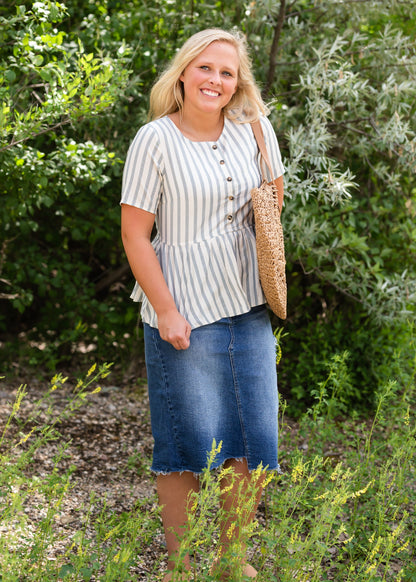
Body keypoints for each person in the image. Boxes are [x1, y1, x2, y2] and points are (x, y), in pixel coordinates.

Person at [120, 28, 285, 581]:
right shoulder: (154, 139)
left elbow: (272, 203)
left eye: (228, 72)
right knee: (187, 444)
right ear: (185, 73)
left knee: (252, 438)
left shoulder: (255, 130)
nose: (216, 80)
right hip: (183, 307)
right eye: (206, 68)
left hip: (247, 304)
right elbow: (136, 234)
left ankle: (232, 564)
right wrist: (165, 309)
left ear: (239, 84)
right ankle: (182, 567)